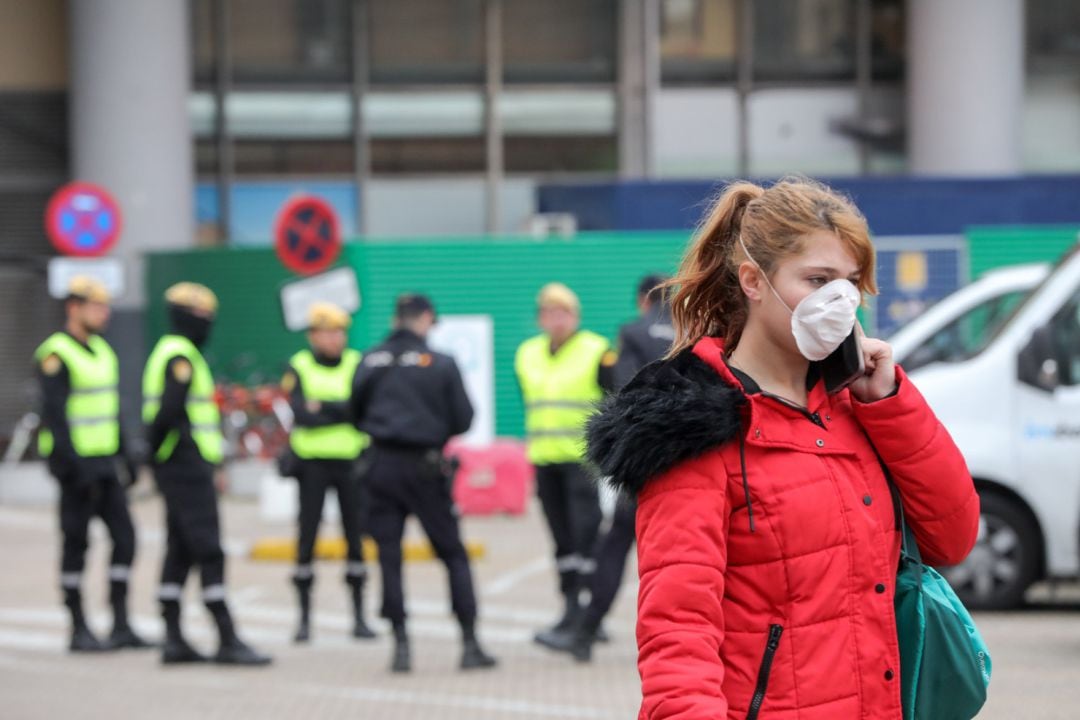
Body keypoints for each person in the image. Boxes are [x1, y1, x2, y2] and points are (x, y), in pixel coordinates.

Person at [586, 179, 980, 719]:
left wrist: (890, 402)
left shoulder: (857, 404)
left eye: (849, 283)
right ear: (753, 280)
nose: (838, 301)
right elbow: (678, 634)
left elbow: (953, 537)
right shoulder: (695, 428)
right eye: (817, 280)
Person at [350, 294, 496, 673]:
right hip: (425, 468)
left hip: (380, 465)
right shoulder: (440, 363)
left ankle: (400, 648)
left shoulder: (369, 359)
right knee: (452, 555)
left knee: (389, 556)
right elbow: (464, 418)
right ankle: (469, 644)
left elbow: (355, 414)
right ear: (426, 319)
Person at [543, 274, 673, 662]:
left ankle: (585, 632)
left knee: (616, 542)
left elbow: (627, 390)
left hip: (649, 460)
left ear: (642, 300)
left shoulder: (633, 331)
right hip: (696, 458)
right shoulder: (696, 329)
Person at [142, 282, 271, 666]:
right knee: (209, 549)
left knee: (180, 551)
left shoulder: (172, 352)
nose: (207, 325)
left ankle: (173, 637)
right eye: (202, 318)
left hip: (180, 465)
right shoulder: (179, 356)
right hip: (186, 465)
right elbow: (168, 413)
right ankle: (227, 637)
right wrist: (168, 459)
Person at [34, 276, 151, 652]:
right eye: (96, 306)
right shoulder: (56, 354)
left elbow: (109, 410)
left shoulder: (103, 351)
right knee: (76, 543)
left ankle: (120, 623)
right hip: (75, 467)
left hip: (104, 463)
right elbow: (54, 415)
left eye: (106, 306)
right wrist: (73, 465)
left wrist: (126, 456)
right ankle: (78, 626)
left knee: (126, 539)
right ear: (74, 308)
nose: (105, 313)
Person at [514, 282, 615, 649]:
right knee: (562, 542)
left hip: (581, 464)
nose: (555, 320)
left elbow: (612, 402)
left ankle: (590, 615)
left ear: (575, 316)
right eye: (549, 313)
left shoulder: (597, 351)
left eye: (563, 313)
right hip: (544, 460)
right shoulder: (527, 354)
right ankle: (571, 608)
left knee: (587, 538)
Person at [281, 302, 375, 643]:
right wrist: (341, 410)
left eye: (339, 332)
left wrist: (325, 407)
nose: (334, 339)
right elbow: (301, 415)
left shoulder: (356, 363)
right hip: (312, 465)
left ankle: (360, 618)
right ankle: (304, 620)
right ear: (312, 336)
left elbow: (362, 411)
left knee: (356, 539)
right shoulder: (299, 366)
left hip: (351, 464)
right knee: (306, 539)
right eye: (326, 332)